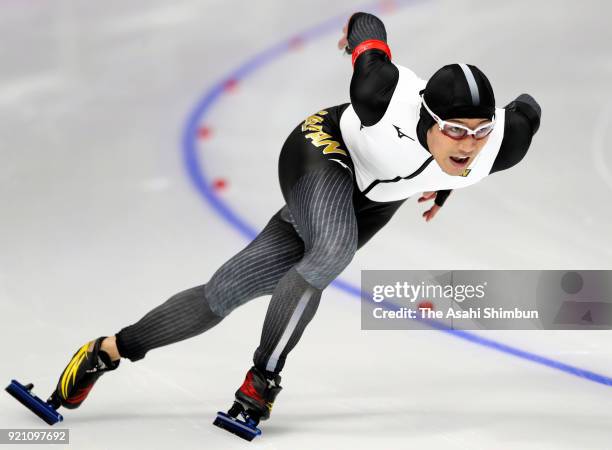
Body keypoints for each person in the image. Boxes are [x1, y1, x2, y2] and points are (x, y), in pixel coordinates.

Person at [47, 11, 541, 427]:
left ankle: (106, 350)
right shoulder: (381, 94)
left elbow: (528, 109)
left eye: (480, 132)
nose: (469, 143)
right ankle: (263, 379)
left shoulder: (502, 144)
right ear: (427, 118)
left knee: (225, 290)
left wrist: (449, 179)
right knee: (332, 250)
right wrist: (355, 36)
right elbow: (368, 25)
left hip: (373, 199)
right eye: (455, 130)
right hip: (323, 150)